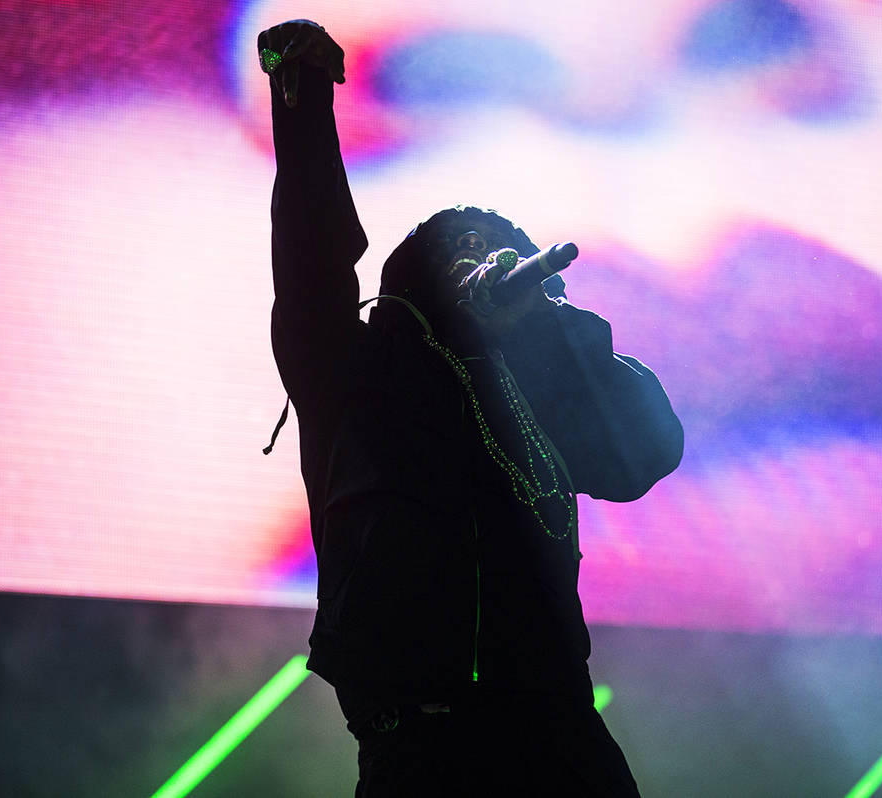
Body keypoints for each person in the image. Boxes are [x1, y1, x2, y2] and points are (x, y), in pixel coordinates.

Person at [258, 19, 683, 797]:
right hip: (423, 745)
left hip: (559, 730)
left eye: (502, 249)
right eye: (459, 248)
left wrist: (556, 328)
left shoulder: (542, 386)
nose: (485, 259)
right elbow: (313, 253)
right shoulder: (352, 371)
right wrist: (304, 101)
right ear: (409, 278)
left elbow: (645, 455)